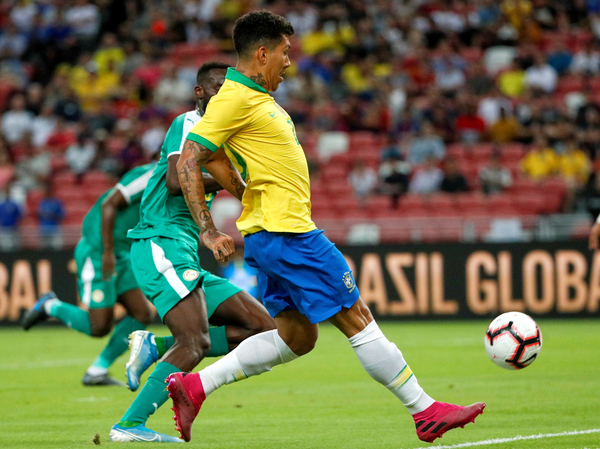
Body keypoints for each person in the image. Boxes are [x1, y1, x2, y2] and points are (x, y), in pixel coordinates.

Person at [166, 11, 485, 444]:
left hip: (273, 233)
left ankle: (197, 387)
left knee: (298, 337)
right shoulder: (235, 99)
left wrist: (244, 192)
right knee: (358, 317)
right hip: (289, 234)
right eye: (284, 52)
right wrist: (208, 229)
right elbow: (190, 160)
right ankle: (424, 410)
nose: (289, 62)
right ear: (262, 53)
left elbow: (218, 157)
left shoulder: (250, 98)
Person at [108, 61, 276, 443]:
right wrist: (229, 181)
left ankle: (156, 345)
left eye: (228, 88)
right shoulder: (189, 124)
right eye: (217, 87)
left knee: (263, 330)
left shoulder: (222, 138)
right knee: (195, 342)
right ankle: (130, 425)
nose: (223, 95)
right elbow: (172, 181)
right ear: (200, 92)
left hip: (181, 248)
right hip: (159, 241)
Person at [22, 161, 161, 387]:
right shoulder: (151, 175)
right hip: (99, 251)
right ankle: (50, 306)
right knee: (99, 327)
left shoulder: (173, 181)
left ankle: (97, 370)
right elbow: (109, 203)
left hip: (123, 253)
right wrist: (106, 251)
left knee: (141, 313)